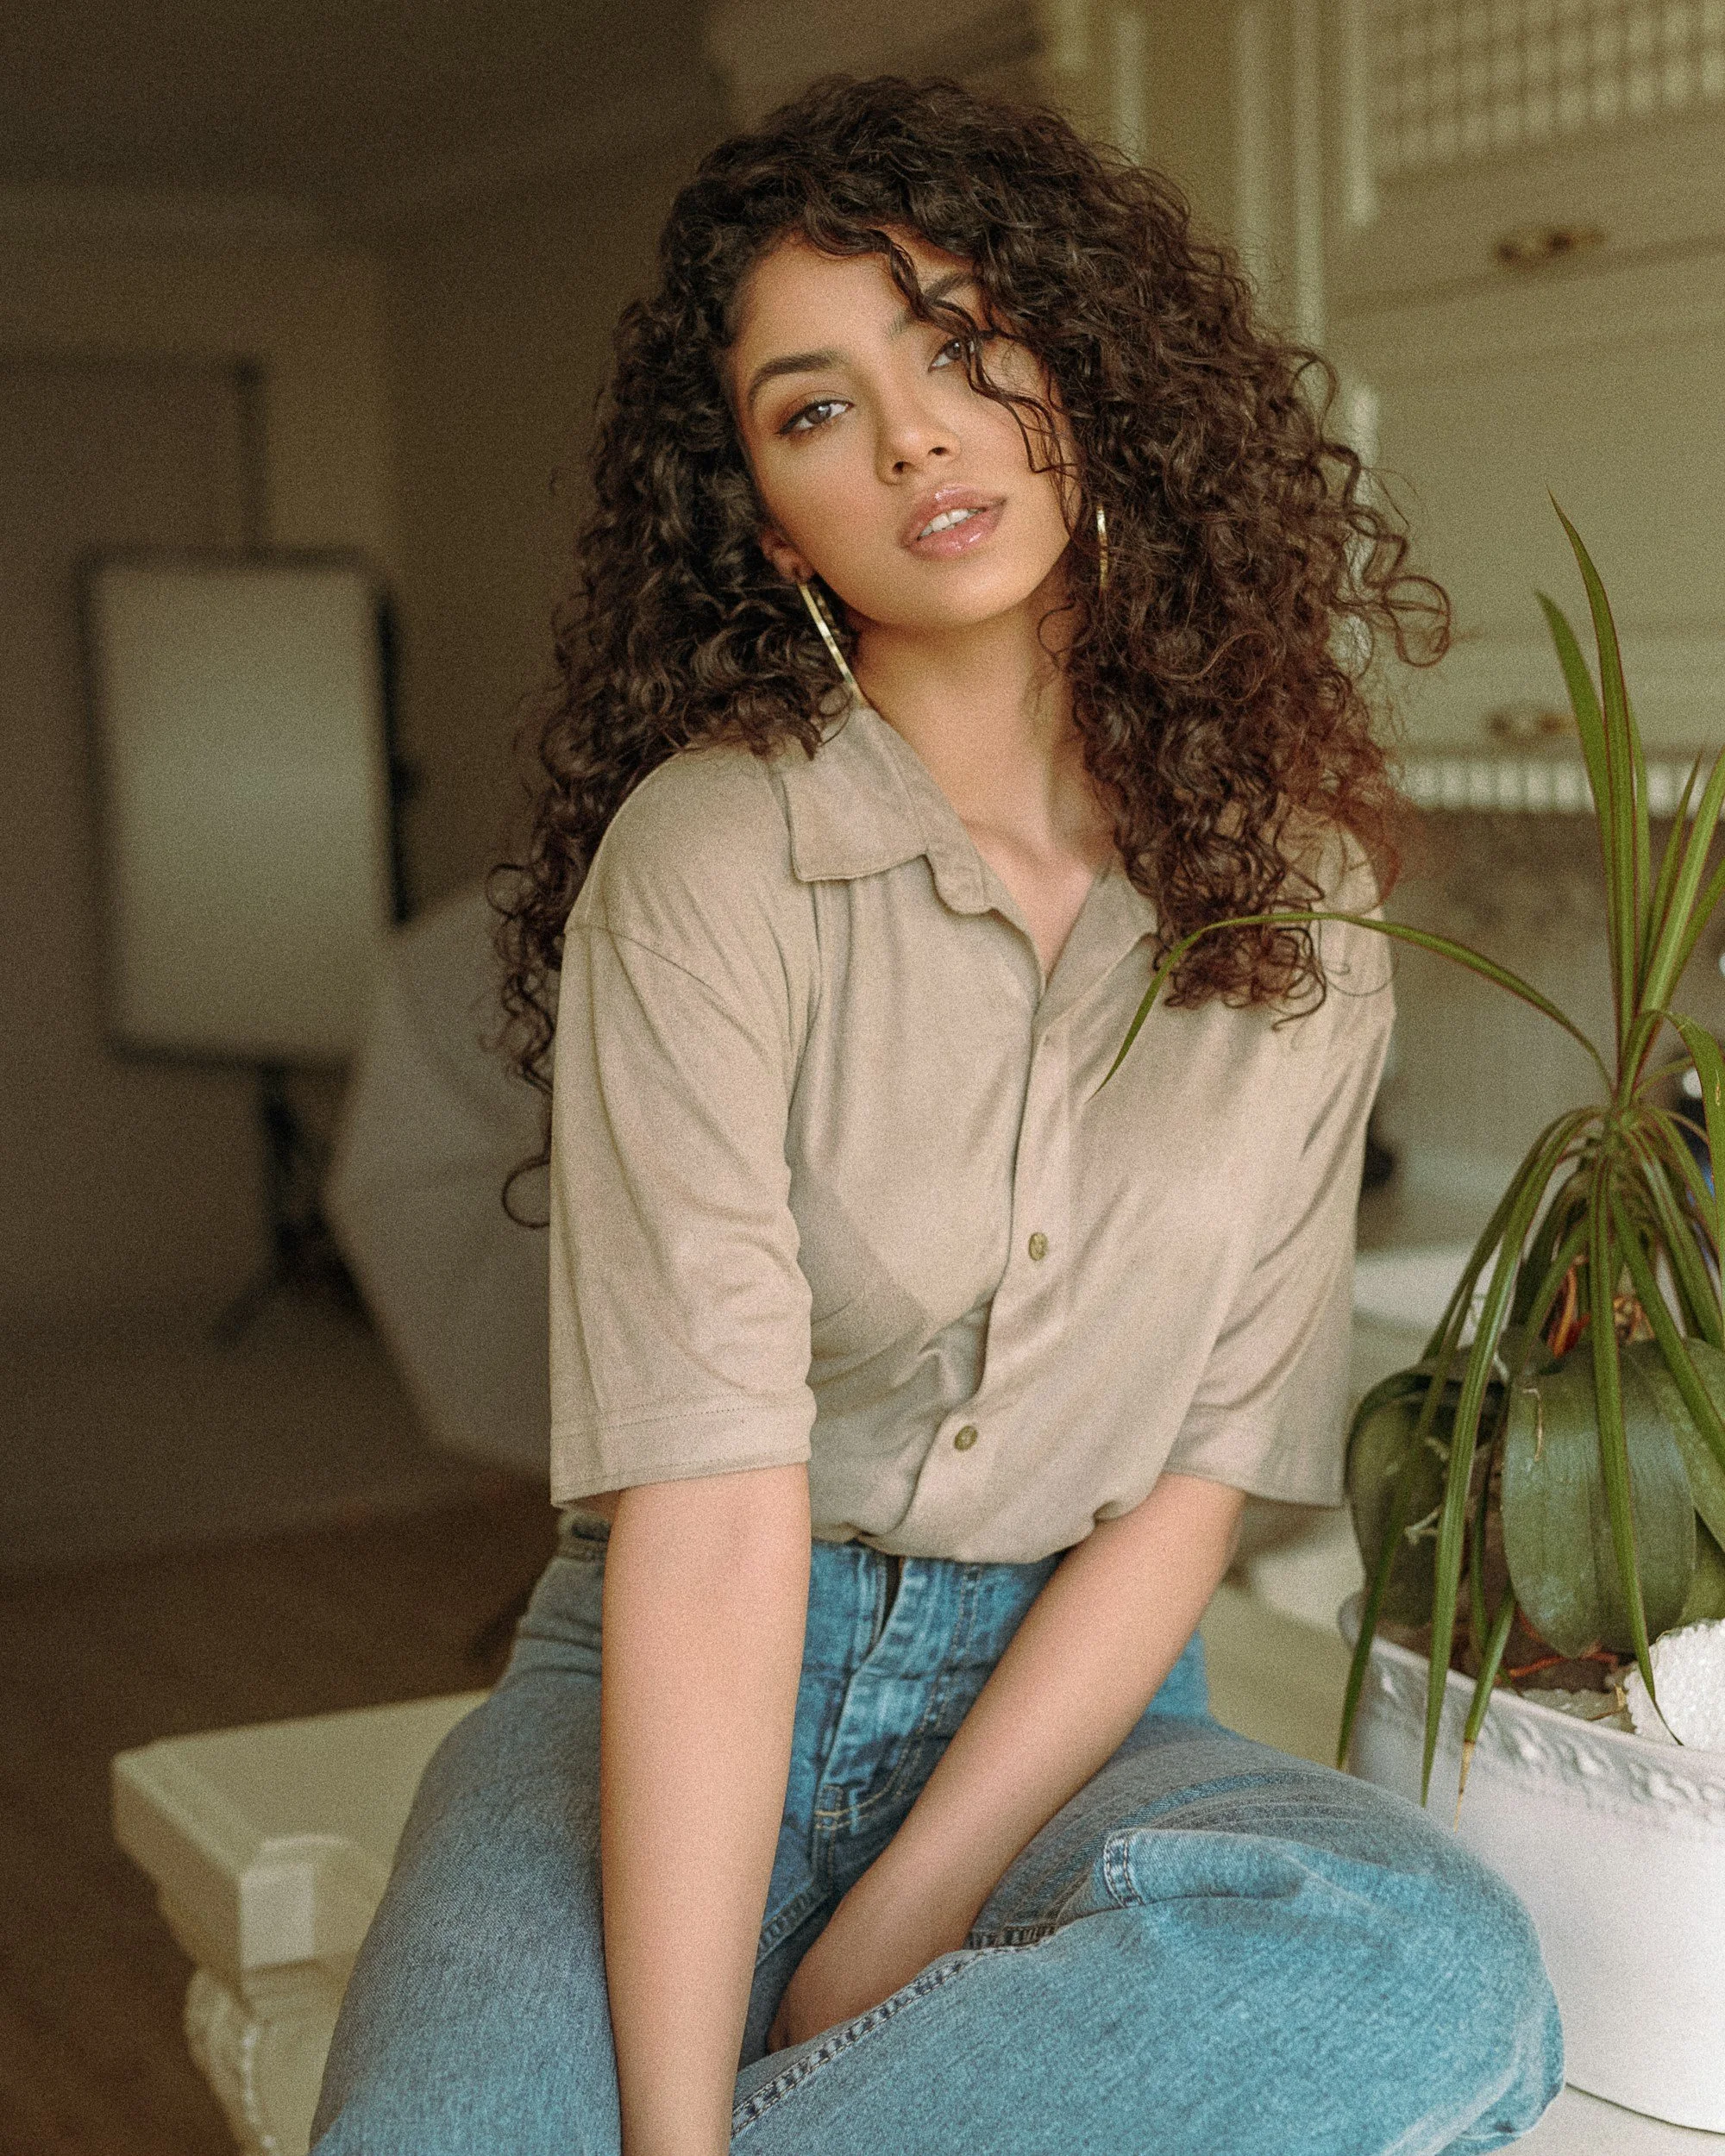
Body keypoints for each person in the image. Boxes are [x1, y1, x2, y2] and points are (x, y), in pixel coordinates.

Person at [311, 73, 1563, 2156]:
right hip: (676, 1678)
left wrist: (886, 1926)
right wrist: (680, 2123)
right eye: (814, 408)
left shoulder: (1298, 887)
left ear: (1092, 370)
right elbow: (708, 1526)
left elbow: (1183, 1487)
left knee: (1420, 1965)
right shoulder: (712, 863)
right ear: (760, 508)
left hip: (1063, 1720)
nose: (913, 435)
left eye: (965, 343)